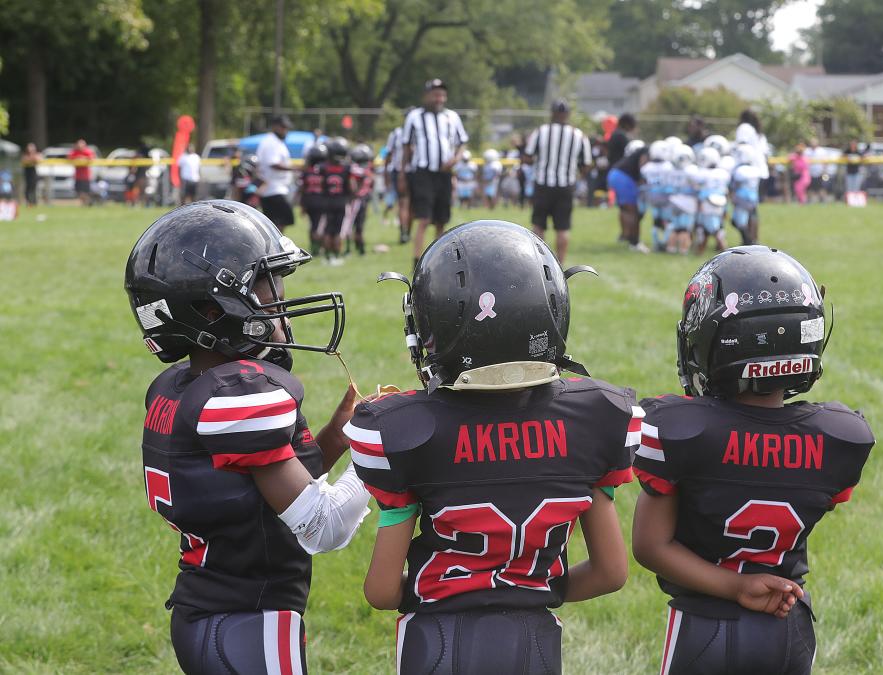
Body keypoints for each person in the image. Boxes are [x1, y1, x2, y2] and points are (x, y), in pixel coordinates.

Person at [349, 220, 632, 674]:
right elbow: (610, 573)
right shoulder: (596, 418)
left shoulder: (407, 430)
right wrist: (528, 589)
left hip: (435, 644)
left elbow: (381, 592)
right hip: (534, 645)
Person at [124, 200, 369, 674]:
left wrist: (339, 436)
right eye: (266, 284)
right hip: (248, 620)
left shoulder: (183, 386)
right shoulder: (240, 392)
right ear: (211, 308)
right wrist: (378, 454)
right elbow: (324, 526)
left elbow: (259, 486)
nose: (279, 299)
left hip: (209, 608)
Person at [632, 245, 874, 675]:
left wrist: (736, 584)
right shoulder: (840, 437)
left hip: (704, 625)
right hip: (790, 624)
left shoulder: (681, 429)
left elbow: (650, 546)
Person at [400, 79, 469, 269]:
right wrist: (402, 174)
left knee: (441, 220)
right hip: (423, 173)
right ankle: (418, 261)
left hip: (444, 174)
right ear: (426, 96)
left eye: (442, 94)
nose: (439, 98)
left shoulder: (452, 117)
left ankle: (439, 260)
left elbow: (462, 141)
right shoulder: (415, 117)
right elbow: (406, 146)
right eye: (435, 94)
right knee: (423, 218)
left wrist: (456, 159)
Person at [523, 99, 592, 264]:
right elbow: (587, 164)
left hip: (543, 184)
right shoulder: (579, 135)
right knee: (563, 228)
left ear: (552, 113)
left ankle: (539, 263)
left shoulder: (541, 131)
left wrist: (541, 162)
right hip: (566, 186)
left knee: (538, 225)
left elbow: (527, 157)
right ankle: (559, 266)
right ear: (567, 114)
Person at [257, 115, 297, 231]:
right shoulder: (271, 142)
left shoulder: (276, 141)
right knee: (278, 224)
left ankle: (275, 247)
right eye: (283, 127)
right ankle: (276, 247)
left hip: (275, 189)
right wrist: (294, 168)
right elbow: (273, 163)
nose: (285, 131)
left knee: (278, 223)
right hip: (273, 189)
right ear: (275, 127)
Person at [607, 139, 649, 251]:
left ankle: (625, 236)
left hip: (615, 174)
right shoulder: (646, 152)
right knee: (632, 211)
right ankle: (634, 242)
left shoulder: (640, 152)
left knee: (625, 209)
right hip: (623, 178)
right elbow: (642, 168)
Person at [693, 146, 730, 254]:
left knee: (712, 229)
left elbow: (697, 184)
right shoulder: (723, 173)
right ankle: (700, 251)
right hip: (721, 202)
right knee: (709, 228)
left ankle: (725, 251)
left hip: (708, 203)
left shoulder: (703, 173)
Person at [731, 143, 767, 246]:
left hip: (741, 199)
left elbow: (734, 185)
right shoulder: (755, 169)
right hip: (753, 198)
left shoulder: (739, 170)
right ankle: (752, 240)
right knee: (752, 219)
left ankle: (748, 240)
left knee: (739, 222)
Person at [641, 140, 674, 253]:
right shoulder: (669, 166)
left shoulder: (647, 167)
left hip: (653, 196)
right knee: (668, 221)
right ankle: (665, 242)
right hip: (666, 197)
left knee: (656, 221)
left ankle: (656, 244)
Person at [345, 143, 374, 256]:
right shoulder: (368, 169)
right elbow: (372, 183)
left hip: (355, 199)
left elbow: (353, 186)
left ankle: (349, 249)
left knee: (349, 224)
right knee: (360, 226)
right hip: (364, 199)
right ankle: (361, 249)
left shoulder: (355, 169)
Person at [300, 144, 329, 257]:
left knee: (313, 225)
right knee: (321, 226)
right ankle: (319, 249)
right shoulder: (325, 171)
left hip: (309, 200)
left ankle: (314, 248)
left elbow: (302, 188)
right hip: (322, 200)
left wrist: (302, 204)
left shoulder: (307, 171)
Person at [68, 138, 95, 206]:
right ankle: (87, 202)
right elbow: (69, 157)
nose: (80, 147)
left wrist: (83, 158)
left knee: (85, 192)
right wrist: (78, 157)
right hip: (78, 176)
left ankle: (87, 202)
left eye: (82, 145)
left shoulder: (87, 151)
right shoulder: (75, 152)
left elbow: (92, 158)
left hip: (85, 176)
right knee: (79, 192)